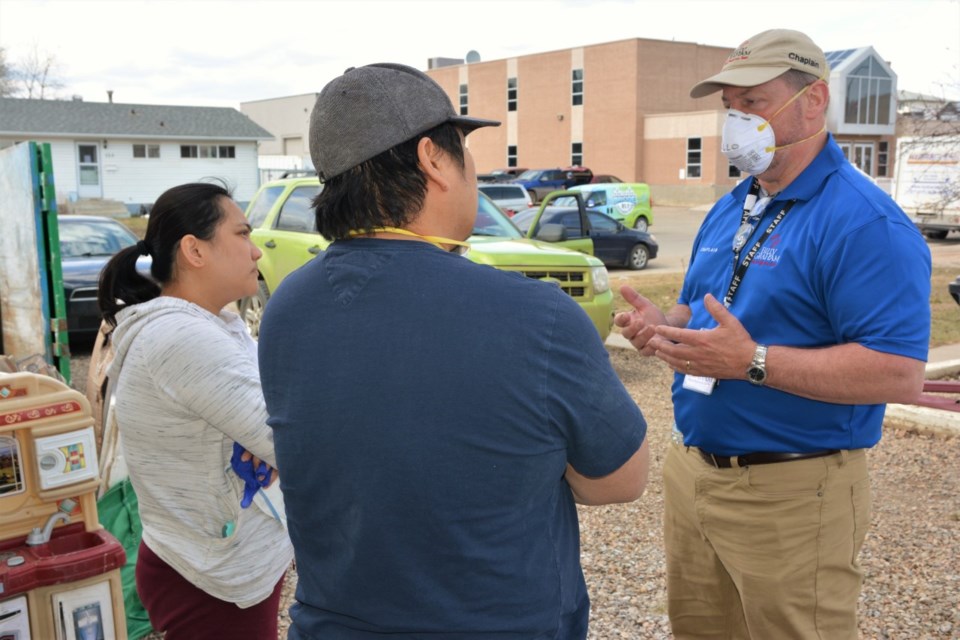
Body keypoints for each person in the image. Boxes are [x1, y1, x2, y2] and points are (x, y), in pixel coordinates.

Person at [257, 62, 650, 638]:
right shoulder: (535, 316)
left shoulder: (289, 305)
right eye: (464, 150)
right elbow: (621, 480)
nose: (473, 169)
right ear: (432, 160)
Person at [615, 29, 931, 638]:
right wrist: (665, 327)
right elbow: (701, 310)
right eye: (729, 106)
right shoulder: (734, 203)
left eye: (753, 103)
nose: (736, 120)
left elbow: (898, 371)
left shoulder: (864, 223)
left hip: (793, 491)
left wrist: (752, 362)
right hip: (694, 475)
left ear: (814, 100)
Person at [97, 182, 293, 640]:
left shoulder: (218, 324)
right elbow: (291, 438)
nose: (257, 252)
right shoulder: (181, 338)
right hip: (210, 579)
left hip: (222, 562)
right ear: (194, 250)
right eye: (242, 234)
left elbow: (275, 417)